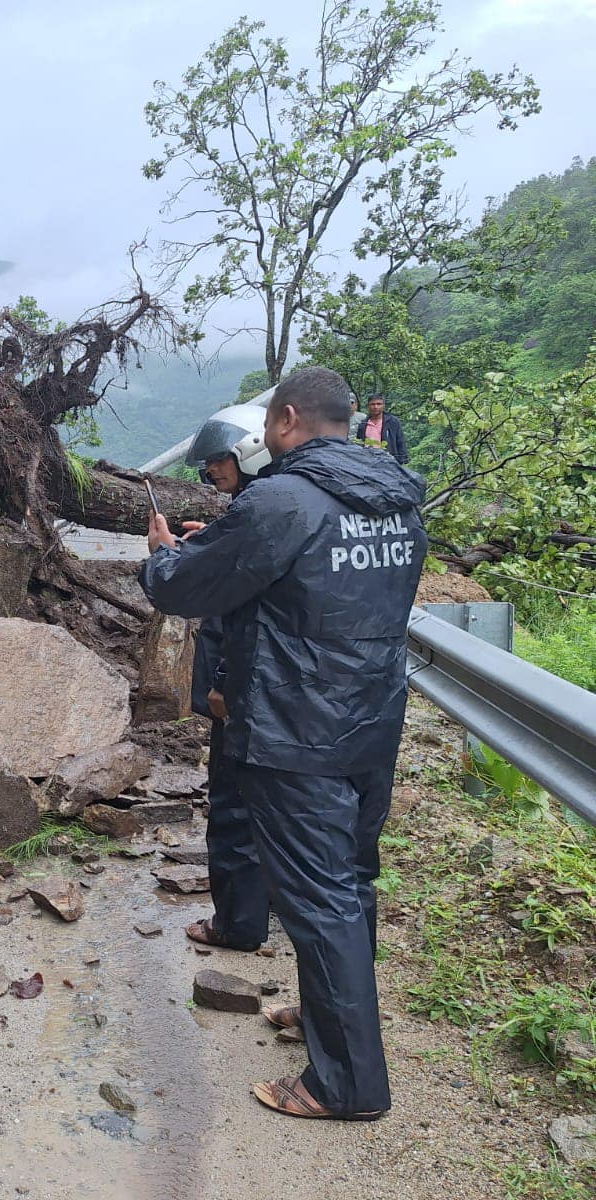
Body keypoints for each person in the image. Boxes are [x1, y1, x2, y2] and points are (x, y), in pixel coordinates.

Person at [138, 366, 428, 1121]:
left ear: (289, 419)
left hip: (299, 728)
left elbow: (180, 588)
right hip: (372, 719)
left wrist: (164, 553)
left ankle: (346, 1085)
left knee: (318, 896)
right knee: (351, 880)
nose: (265, 437)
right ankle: (330, 1022)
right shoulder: (397, 495)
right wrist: (231, 544)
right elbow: (324, 583)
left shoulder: (280, 499)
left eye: (269, 423)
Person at [179, 403, 272, 953]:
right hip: (280, 694)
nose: (209, 471)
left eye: (217, 460)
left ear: (249, 453)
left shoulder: (260, 511)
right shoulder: (266, 509)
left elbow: (241, 619)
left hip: (242, 691)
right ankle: (270, 903)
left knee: (234, 800)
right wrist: (216, 538)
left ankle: (236, 923)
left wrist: (221, 683)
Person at [355, 394, 408, 464]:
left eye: (379, 404)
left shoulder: (392, 422)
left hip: (389, 461)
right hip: (368, 462)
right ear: (368, 406)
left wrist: (402, 460)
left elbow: (400, 441)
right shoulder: (363, 424)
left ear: (383, 406)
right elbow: (359, 443)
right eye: (372, 404)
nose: (375, 407)